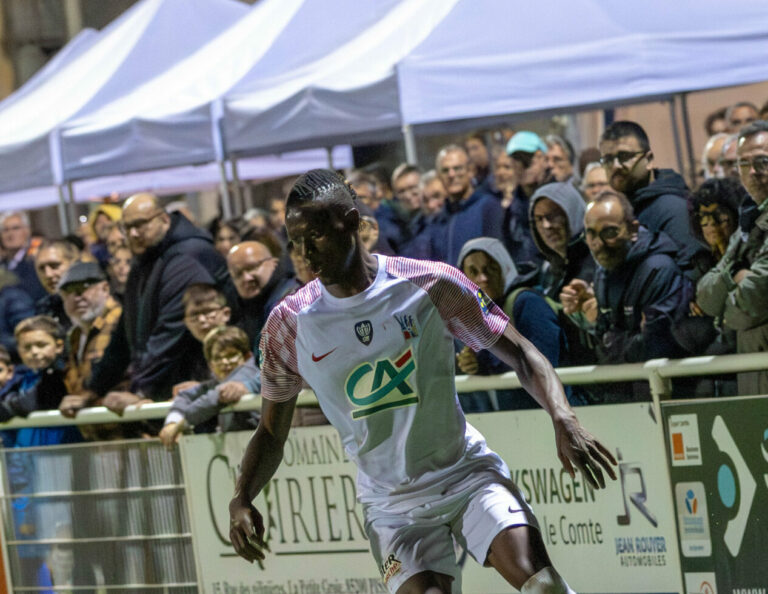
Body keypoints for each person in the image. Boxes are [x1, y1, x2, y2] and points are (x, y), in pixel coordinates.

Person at [228, 169, 616, 594]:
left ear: (353, 222)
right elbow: (270, 431)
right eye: (294, 241)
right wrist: (242, 496)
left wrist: (563, 418)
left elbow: (521, 353)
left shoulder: (429, 282)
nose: (304, 252)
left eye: (316, 235)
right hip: (392, 506)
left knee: (544, 587)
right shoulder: (288, 325)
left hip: (467, 476)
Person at [61, 193, 237, 417]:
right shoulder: (147, 258)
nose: (133, 234)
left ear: (163, 220)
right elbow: (125, 334)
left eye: (141, 225)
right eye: (127, 228)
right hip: (170, 394)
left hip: (199, 393)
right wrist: (93, 390)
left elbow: (170, 332)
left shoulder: (189, 256)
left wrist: (141, 390)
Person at [562, 191, 691, 367]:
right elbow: (603, 334)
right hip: (623, 386)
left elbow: (657, 346)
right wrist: (585, 315)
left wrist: (611, 341)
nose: (598, 244)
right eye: (591, 234)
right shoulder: (603, 271)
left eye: (609, 232)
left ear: (633, 229)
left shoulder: (658, 270)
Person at [456, 237, 575, 412]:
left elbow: (545, 363)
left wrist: (485, 362)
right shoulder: (484, 317)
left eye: (491, 268)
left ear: (506, 267)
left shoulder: (526, 303)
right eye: (473, 272)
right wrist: (474, 365)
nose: (483, 278)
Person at [697, 120, 768, 394]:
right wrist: (733, 274)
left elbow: (755, 297)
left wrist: (725, 315)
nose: (753, 172)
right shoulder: (748, 220)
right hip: (753, 374)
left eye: (762, 162)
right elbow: (705, 295)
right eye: (743, 164)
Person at [598, 120, 707, 275]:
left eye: (624, 156)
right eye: (608, 159)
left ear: (648, 160)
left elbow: (692, 274)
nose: (615, 165)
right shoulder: (624, 209)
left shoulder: (674, 207)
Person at [159, 325, 260, 448]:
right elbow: (185, 395)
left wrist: (180, 425)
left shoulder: (249, 370)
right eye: (218, 358)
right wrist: (172, 421)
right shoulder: (217, 382)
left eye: (231, 355)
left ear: (247, 357)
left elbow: (216, 396)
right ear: (211, 365)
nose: (225, 363)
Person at [424, 144, 504, 265]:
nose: (451, 175)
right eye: (445, 170)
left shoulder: (488, 207)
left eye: (457, 168)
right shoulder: (438, 220)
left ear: (470, 171)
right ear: (439, 176)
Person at [227, 240, 299, 351]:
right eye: (238, 274)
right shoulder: (244, 311)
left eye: (252, 267)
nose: (247, 278)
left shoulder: (290, 298)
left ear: (274, 263)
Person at [529, 182, 594, 301]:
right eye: (539, 219)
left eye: (553, 215)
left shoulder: (595, 262)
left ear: (573, 213)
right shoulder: (550, 269)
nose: (546, 225)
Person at [503, 131, 553, 271]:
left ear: (543, 158)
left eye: (527, 159)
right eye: (516, 160)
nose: (522, 166)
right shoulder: (510, 210)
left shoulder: (560, 199)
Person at [34, 239, 81, 332]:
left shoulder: (97, 301)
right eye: (41, 268)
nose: (48, 274)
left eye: (54, 265)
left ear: (75, 264)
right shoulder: (44, 309)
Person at [0, 210, 46, 302]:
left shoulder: (36, 262)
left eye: (15, 228)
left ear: (27, 231)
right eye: (5, 230)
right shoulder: (2, 265)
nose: (10, 234)